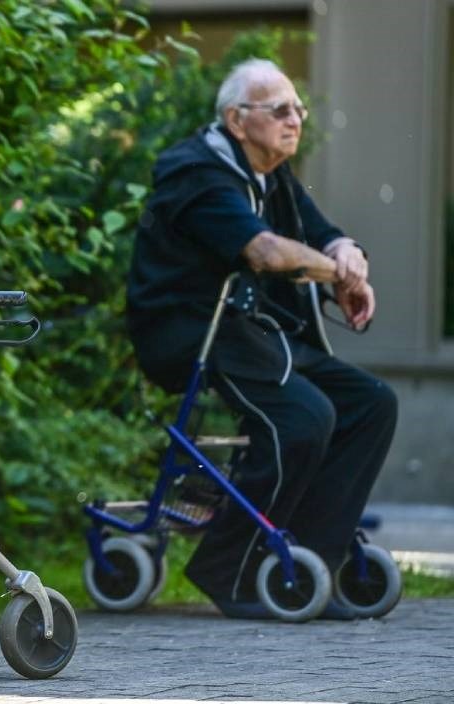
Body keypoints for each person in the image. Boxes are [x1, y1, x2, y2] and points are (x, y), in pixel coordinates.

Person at [125, 59, 398, 619]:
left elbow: (321, 235)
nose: (294, 119)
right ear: (236, 118)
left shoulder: (271, 173)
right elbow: (267, 252)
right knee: (304, 417)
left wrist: (349, 254)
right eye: (278, 110)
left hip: (250, 330)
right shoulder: (196, 173)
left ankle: (308, 557)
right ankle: (230, 569)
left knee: (371, 403)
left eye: (297, 108)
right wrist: (339, 271)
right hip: (191, 332)